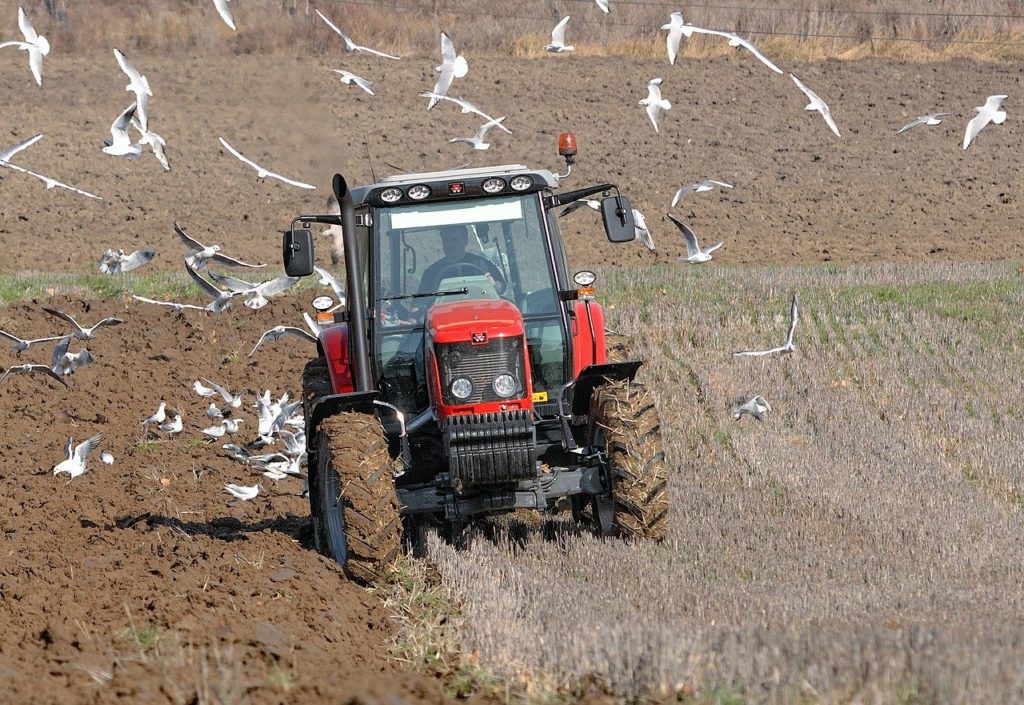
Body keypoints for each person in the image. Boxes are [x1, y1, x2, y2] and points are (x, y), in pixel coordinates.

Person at [417, 224, 506, 295]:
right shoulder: (432, 272)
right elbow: (420, 302)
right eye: (446, 241)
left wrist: (494, 286)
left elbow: (502, 287)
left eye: (454, 240)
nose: (450, 245)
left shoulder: (481, 264)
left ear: (465, 241)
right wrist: (412, 318)